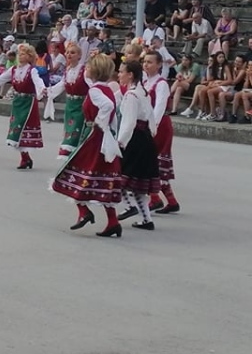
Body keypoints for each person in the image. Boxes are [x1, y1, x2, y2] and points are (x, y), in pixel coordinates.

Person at [50, 55, 122, 237]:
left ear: (95, 70)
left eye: (89, 67)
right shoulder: (107, 90)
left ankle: (84, 212)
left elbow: (106, 107)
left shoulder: (95, 91)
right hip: (102, 137)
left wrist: (99, 122)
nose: (86, 69)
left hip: (93, 137)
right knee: (102, 178)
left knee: (72, 172)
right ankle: (111, 221)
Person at [0, 43, 47, 169]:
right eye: (19, 54)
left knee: (22, 128)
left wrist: (42, 89)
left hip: (28, 103)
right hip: (17, 102)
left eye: (23, 54)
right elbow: (0, 79)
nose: (20, 56)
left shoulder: (32, 70)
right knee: (16, 129)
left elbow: (38, 81)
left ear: (29, 56)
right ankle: (25, 158)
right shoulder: (13, 69)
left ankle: (25, 158)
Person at [115, 59, 160, 231]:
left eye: (121, 71)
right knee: (137, 184)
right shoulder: (143, 92)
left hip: (134, 140)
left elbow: (128, 122)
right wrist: (152, 132)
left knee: (120, 177)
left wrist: (120, 142)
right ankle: (146, 219)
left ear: (130, 75)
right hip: (145, 139)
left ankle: (131, 206)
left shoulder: (132, 95)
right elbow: (150, 118)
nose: (119, 75)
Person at [141, 51, 181, 215]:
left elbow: (159, 106)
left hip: (159, 125)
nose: (146, 64)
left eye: (150, 62)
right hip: (147, 124)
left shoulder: (161, 83)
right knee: (150, 162)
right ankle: (168, 201)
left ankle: (156, 198)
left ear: (159, 65)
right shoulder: (145, 81)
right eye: (145, 61)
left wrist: (152, 126)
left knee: (153, 162)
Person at [44, 43, 88, 157]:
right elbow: (62, 85)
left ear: (79, 55)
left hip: (81, 106)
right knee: (69, 130)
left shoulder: (84, 70)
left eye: (73, 52)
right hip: (70, 106)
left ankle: (72, 155)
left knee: (76, 132)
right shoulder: (67, 70)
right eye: (68, 52)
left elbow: (93, 87)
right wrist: (48, 91)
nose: (69, 55)